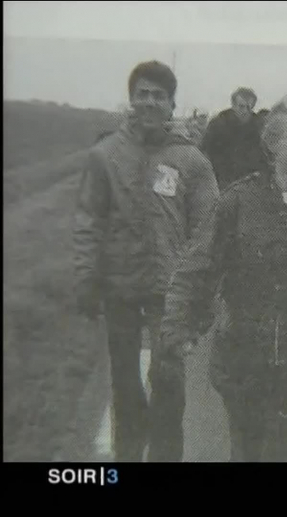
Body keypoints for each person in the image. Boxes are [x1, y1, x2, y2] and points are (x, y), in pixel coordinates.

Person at [159, 90, 287, 462]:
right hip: (243, 361)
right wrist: (179, 325)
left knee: (282, 456)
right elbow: (198, 267)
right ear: (272, 144)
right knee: (247, 453)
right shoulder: (239, 201)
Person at [73, 60, 219, 462]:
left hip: (171, 288)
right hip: (118, 283)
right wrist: (85, 276)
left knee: (169, 379)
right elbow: (88, 219)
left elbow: (209, 230)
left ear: (173, 104)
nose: (150, 102)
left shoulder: (192, 161)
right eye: (143, 94)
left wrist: (201, 296)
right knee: (124, 381)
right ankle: (126, 457)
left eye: (159, 95)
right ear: (132, 100)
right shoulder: (104, 156)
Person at [201, 87, 266, 190]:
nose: (245, 111)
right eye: (241, 106)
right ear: (233, 105)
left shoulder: (258, 128)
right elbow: (204, 151)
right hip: (221, 181)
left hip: (249, 184)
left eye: (249, 107)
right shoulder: (218, 125)